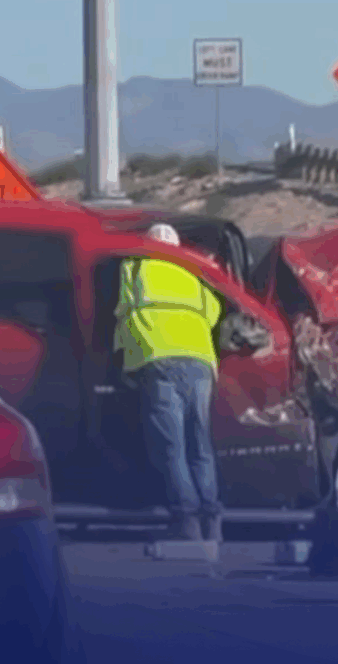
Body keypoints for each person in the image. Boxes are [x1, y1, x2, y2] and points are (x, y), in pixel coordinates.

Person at [114, 223, 225, 542]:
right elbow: (213, 312)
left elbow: (123, 309)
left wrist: (124, 360)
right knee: (200, 445)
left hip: (158, 357)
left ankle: (187, 521)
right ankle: (212, 522)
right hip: (199, 360)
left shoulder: (136, 266)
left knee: (172, 447)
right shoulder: (194, 271)